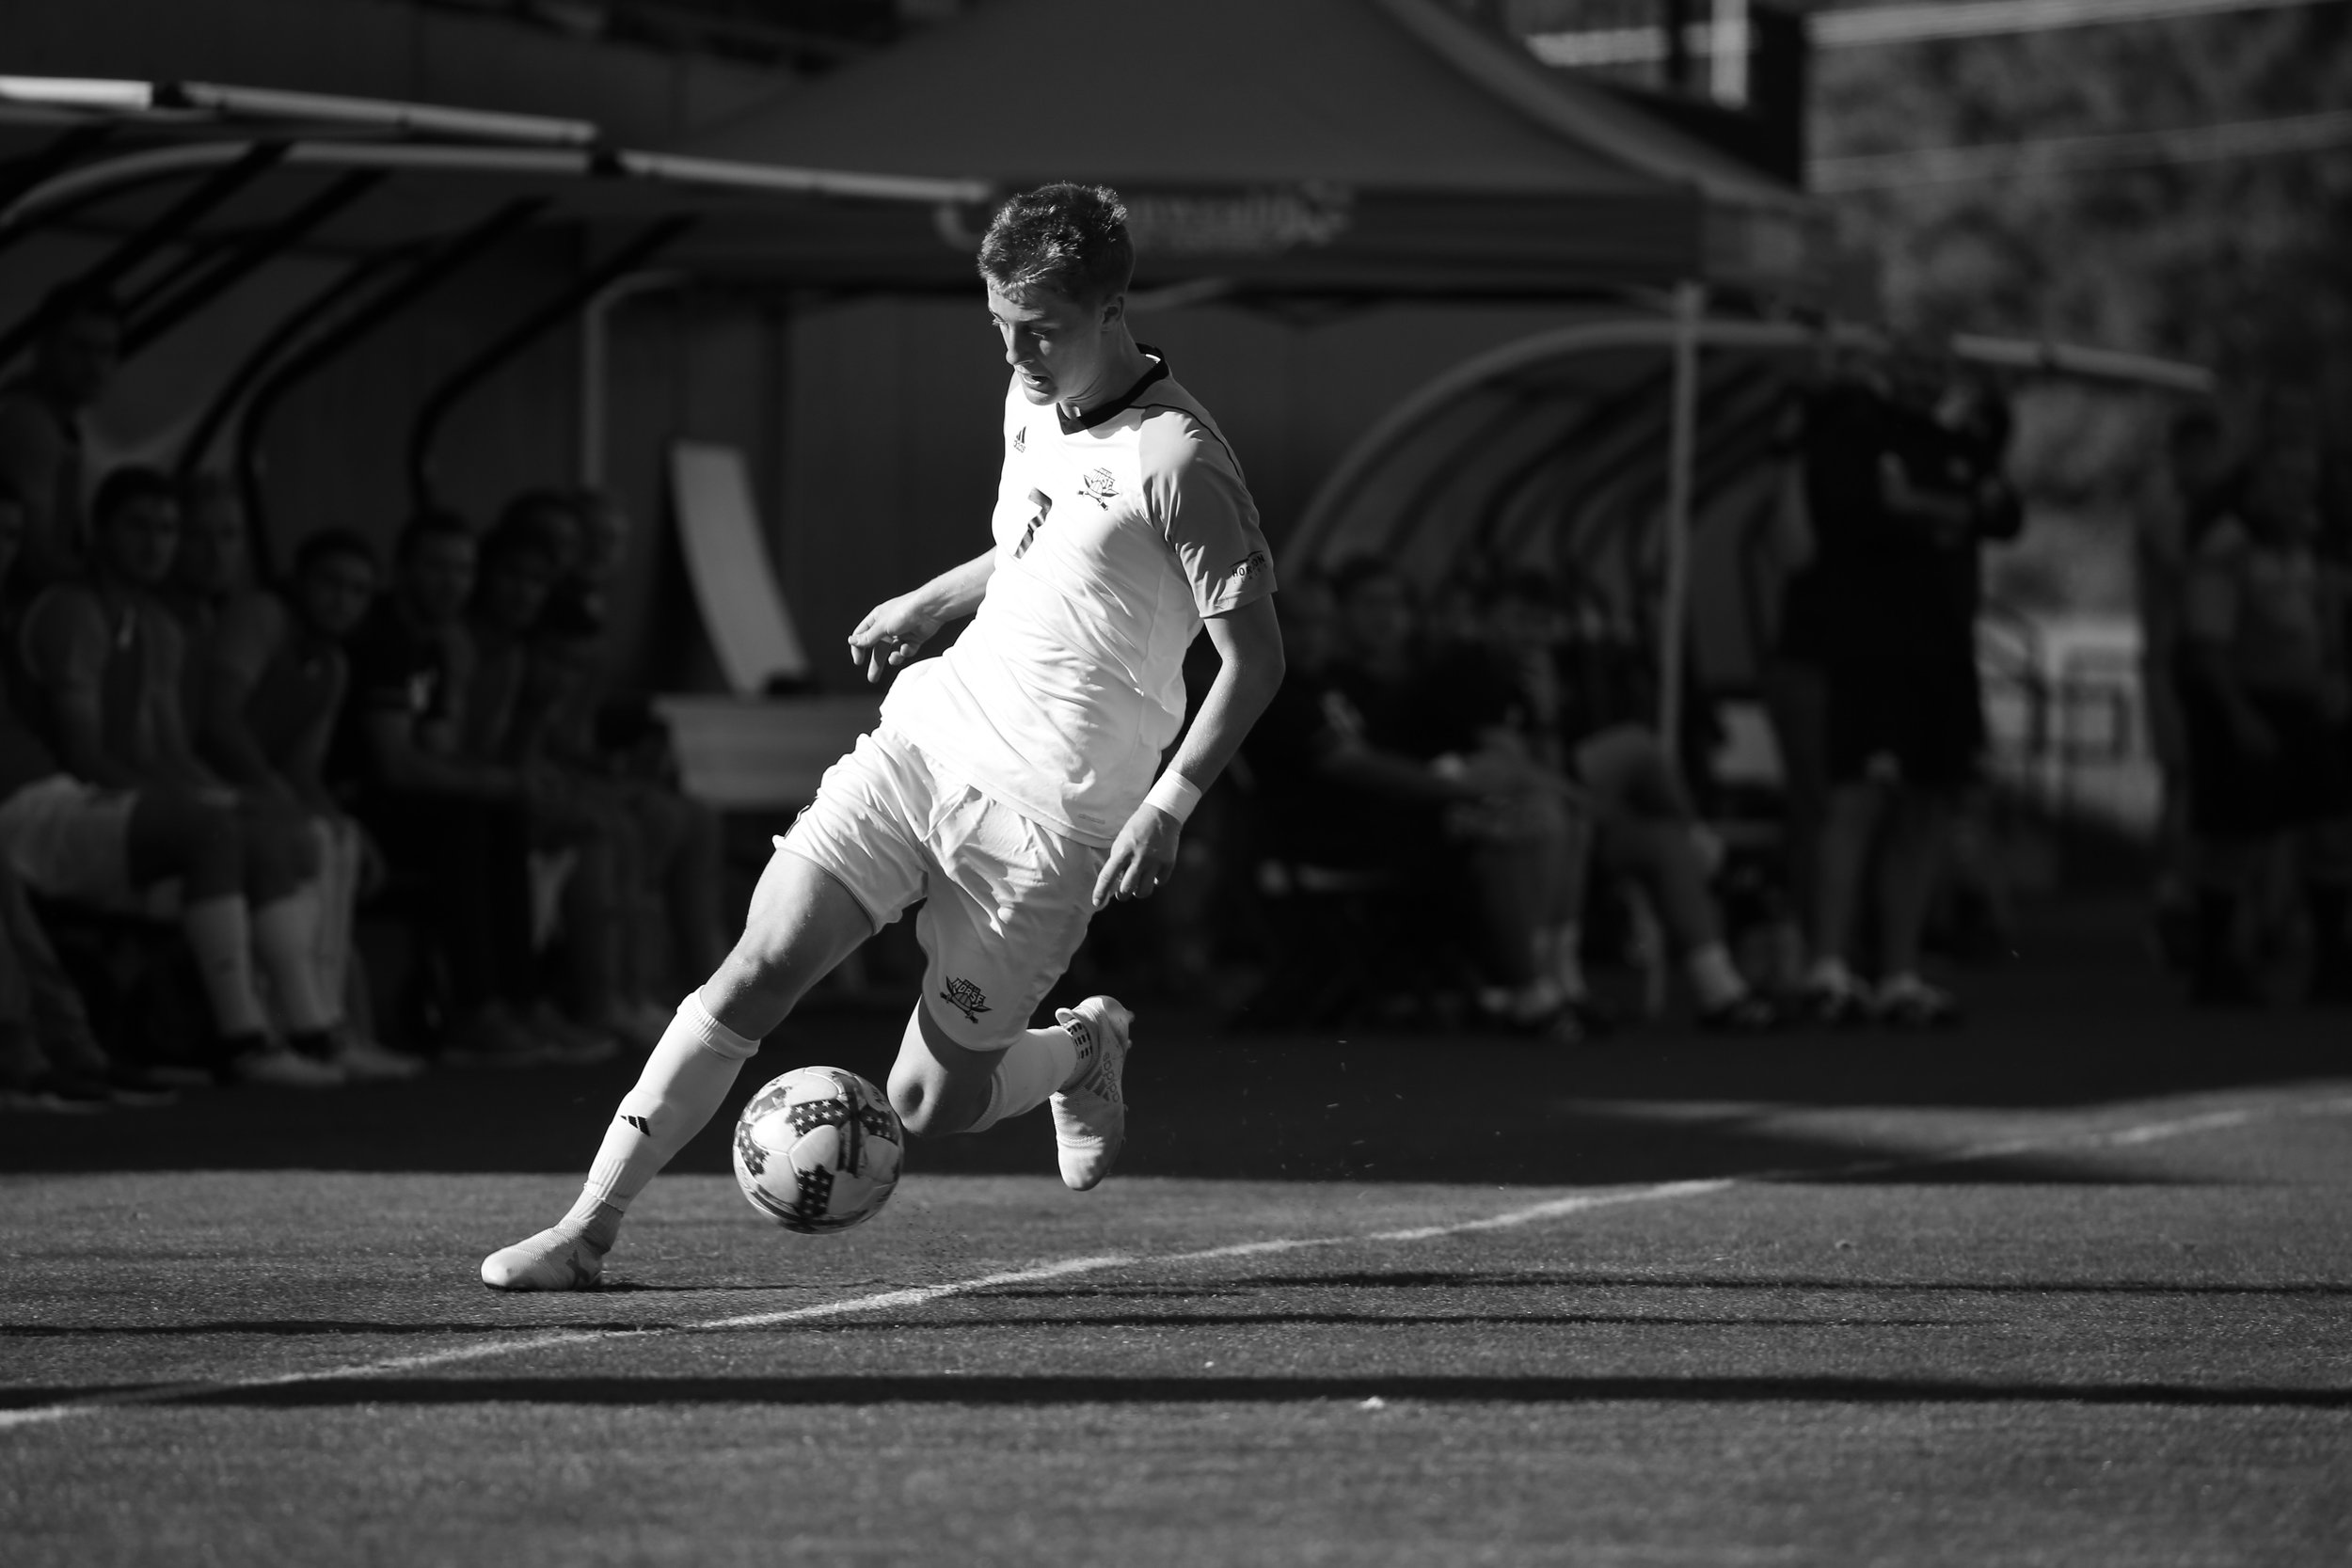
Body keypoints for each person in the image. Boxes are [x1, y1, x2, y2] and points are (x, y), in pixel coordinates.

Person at [483, 182, 1286, 1291]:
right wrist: (934, 597)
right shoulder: (1027, 390)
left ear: (1114, 306)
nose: (1018, 351)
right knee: (759, 963)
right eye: (999, 324)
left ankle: (1081, 1049)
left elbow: (1256, 660)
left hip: (1053, 816)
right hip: (928, 742)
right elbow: (1037, 540)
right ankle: (586, 1226)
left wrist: (1170, 803)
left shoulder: (1179, 460)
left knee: (927, 1104)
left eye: (1041, 329)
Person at [8, 467, 344, 1086]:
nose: (155, 542)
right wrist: (201, 807)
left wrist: (232, 798)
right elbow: (84, 753)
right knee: (215, 829)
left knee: (256, 827)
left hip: (102, 807)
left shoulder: (158, 625)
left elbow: (164, 751)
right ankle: (242, 1039)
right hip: (39, 808)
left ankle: (311, 1031)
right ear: (98, 531)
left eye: (166, 528)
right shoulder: (72, 610)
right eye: (138, 525)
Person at [1798, 357, 2020, 1026]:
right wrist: (1944, 512)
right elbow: (1857, 511)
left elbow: (2004, 512)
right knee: (1859, 799)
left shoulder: (1956, 441)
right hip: (1872, 651)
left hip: (1943, 652)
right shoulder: (1858, 433)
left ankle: (1899, 970)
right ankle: (1829, 966)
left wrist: (1918, 505)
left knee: (1927, 804)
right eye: (1909, 360)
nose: (1924, 378)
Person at [333, 512, 590, 1067]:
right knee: (472, 818)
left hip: (401, 802)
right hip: (350, 801)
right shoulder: (388, 639)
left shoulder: (429, 644)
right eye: (435, 566)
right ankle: (474, 1011)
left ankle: (519, 999)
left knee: (498, 815)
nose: (450, 582)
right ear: (401, 570)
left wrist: (515, 771)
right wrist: (505, 782)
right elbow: (399, 766)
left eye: (461, 569)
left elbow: (442, 750)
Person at [198, 524, 421, 1079]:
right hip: (204, 784)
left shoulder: (332, 666)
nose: (341, 600)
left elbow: (302, 770)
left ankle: (327, 1022)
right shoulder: (261, 617)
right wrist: (281, 800)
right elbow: (217, 722)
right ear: (298, 581)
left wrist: (346, 822)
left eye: (358, 591)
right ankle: (297, 1026)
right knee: (313, 834)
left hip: (254, 794)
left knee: (338, 836)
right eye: (330, 583)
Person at [0, 287, 119, 594]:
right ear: (44, 348)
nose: (95, 367)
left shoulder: (60, 425)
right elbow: (37, 559)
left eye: (106, 352)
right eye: (80, 349)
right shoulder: (30, 422)